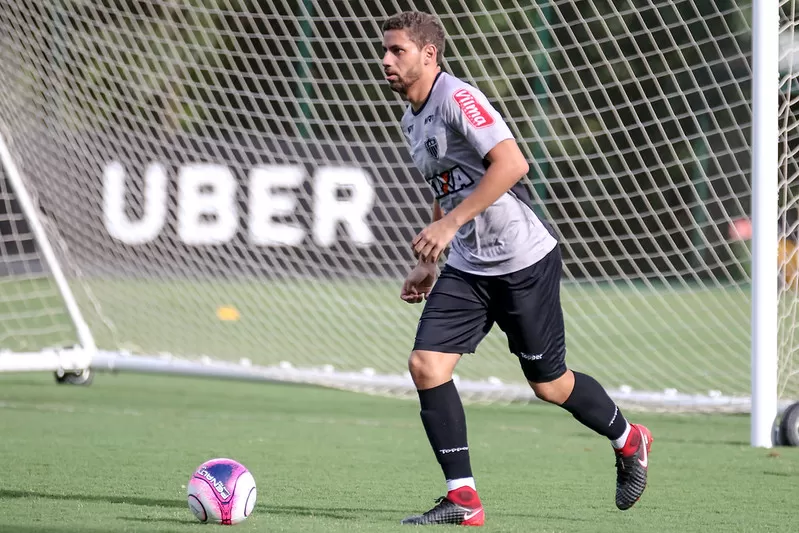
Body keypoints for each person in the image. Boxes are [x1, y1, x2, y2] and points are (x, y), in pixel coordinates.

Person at [380, 10, 653, 527]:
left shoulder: (459, 98)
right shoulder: (411, 119)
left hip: (522, 258)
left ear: (428, 54)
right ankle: (463, 500)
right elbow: (447, 187)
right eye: (385, 50)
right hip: (467, 264)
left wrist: (448, 225)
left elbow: (512, 165)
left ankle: (629, 438)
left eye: (397, 50)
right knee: (426, 366)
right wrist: (431, 260)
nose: (385, 59)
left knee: (549, 384)